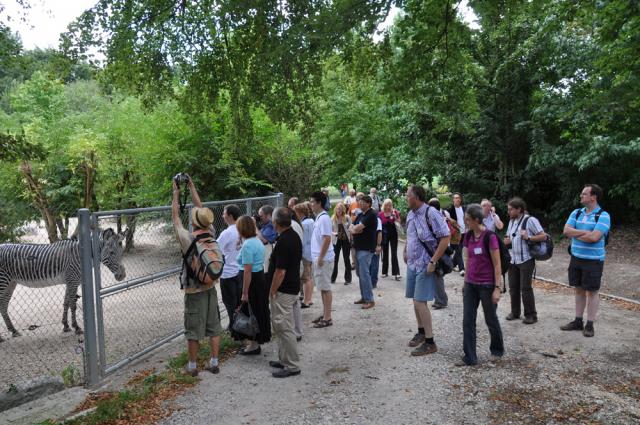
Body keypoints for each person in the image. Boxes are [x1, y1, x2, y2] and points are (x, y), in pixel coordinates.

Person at [171, 176, 222, 376]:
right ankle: (214, 362)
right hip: (210, 287)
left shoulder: (188, 238)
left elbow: (175, 218)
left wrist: (176, 193)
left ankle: (192, 367)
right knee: (214, 327)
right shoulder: (211, 233)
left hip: (194, 290)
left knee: (193, 330)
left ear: (194, 222)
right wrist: (192, 186)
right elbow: (202, 211)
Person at [404, 185, 450, 356]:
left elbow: (445, 238)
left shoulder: (431, 213)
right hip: (412, 263)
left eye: (407, 196)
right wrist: (405, 251)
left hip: (425, 264)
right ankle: (421, 332)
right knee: (414, 300)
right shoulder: (410, 215)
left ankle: (430, 342)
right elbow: (410, 236)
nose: (405, 198)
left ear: (416, 198)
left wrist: (433, 260)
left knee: (419, 302)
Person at [561, 184, 611, 337]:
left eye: (584, 194)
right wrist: (585, 232)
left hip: (593, 260)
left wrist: (576, 233)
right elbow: (566, 231)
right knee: (578, 289)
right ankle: (578, 321)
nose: (581, 196)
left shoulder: (603, 215)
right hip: (576, 257)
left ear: (593, 197)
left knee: (593, 291)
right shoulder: (576, 213)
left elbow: (594, 237)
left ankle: (590, 324)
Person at [457, 204, 504, 366]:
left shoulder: (489, 237)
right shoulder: (468, 236)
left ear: (477, 220)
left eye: (468, 220)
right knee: (467, 320)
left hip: (487, 285)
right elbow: (468, 260)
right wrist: (465, 283)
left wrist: (497, 288)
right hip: (471, 284)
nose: (466, 222)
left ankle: (497, 350)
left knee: (491, 319)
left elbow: (497, 264)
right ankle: (470, 357)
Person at [267, 207, 303, 378]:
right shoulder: (291, 236)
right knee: (280, 326)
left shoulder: (285, 241)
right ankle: (284, 359)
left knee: (285, 327)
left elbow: (280, 271)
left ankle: (292, 365)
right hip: (290, 287)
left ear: (275, 222)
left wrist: (273, 290)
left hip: (284, 290)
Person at [503, 197, 547, 324]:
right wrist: (507, 241)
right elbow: (509, 236)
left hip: (526, 259)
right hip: (513, 260)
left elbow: (543, 236)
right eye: (508, 209)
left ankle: (531, 315)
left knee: (525, 288)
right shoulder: (511, 221)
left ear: (519, 209)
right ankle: (515, 312)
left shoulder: (530, 220)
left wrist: (529, 237)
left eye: (511, 209)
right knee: (513, 287)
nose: (509, 212)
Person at [236, 215, 271, 354]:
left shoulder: (248, 245)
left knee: (251, 312)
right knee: (258, 310)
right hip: (259, 279)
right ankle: (256, 341)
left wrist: (244, 292)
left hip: (252, 282)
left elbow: (247, 271)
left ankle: (253, 344)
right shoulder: (256, 241)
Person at [309, 191, 335, 328]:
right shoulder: (319, 217)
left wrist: (320, 257)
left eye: (313, 201)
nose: (311, 204)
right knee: (322, 288)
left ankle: (328, 317)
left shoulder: (324, 218)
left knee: (325, 288)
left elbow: (327, 238)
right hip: (320, 258)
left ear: (319, 203)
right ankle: (325, 313)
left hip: (323, 259)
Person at [217, 204, 243, 331]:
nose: (223, 216)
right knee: (238, 301)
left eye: (224, 213)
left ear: (230, 216)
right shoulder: (242, 228)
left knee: (229, 302)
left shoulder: (226, 233)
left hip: (227, 273)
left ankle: (234, 327)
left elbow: (216, 250)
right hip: (240, 271)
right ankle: (238, 325)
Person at [351, 195, 379, 309]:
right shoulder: (360, 215)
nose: (360, 203)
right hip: (358, 248)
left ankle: (370, 300)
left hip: (366, 249)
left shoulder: (371, 214)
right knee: (360, 274)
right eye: (360, 202)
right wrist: (355, 229)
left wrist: (355, 229)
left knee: (364, 275)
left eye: (362, 202)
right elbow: (351, 226)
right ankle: (364, 297)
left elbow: (357, 228)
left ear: (368, 203)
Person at [286, 208, 305, 341]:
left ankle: (295, 331)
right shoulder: (296, 224)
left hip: (292, 267)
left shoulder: (291, 227)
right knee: (295, 300)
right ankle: (297, 330)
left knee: (292, 300)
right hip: (297, 265)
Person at [428, 198, 449, 309]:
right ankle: (441, 298)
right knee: (437, 275)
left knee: (437, 275)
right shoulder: (442, 216)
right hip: (441, 250)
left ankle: (441, 300)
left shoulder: (435, 218)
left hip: (437, 250)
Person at [294, 203, 315, 308]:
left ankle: (306, 300)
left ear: (301, 212)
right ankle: (309, 298)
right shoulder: (311, 221)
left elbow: (302, 239)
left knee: (305, 277)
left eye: (296, 212)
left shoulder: (304, 224)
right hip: (311, 252)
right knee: (309, 277)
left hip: (305, 253)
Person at [331, 202, 352, 285]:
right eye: (337, 208)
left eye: (340, 209)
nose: (338, 210)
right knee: (335, 259)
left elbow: (351, 227)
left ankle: (348, 279)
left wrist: (351, 237)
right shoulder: (332, 218)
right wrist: (333, 233)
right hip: (336, 240)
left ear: (343, 209)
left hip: (346, 240)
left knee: (346, 259)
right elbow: (329, 230)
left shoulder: (347, 217)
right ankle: (333, 278)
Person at [379, 199, 401, 281]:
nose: (388, 207)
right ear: (384, 205)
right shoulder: (380, 214)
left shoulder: (395, 212)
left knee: (394, 253)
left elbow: (399, 222)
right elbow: (379, 225)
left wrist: (395, 217)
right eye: (387, 205)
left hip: (393, 234)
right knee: (385, 253)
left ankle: (396, 273)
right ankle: (384, 272)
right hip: (384, 235)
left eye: (390, 205)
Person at [447, 193, 466, 277]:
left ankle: (452, 264)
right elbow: (445, 217)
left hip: (464, 232)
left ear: (460, 199)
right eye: (455, 198)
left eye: (458, 198)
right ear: (453, 200)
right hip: (455, 233)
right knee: (458, 250)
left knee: (457, 249)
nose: (457, 199)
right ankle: (462, 269)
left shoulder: (464, 208)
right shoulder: (450, 210)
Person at [370, 215, 383, 288]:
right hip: (366, 245)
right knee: (368, 265)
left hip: (374, 245)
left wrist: (378, 245)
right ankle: (369, 282)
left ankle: (373, 282)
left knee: (374, 264)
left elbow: (379, 233)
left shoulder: (377, 220)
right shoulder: (364, 218)